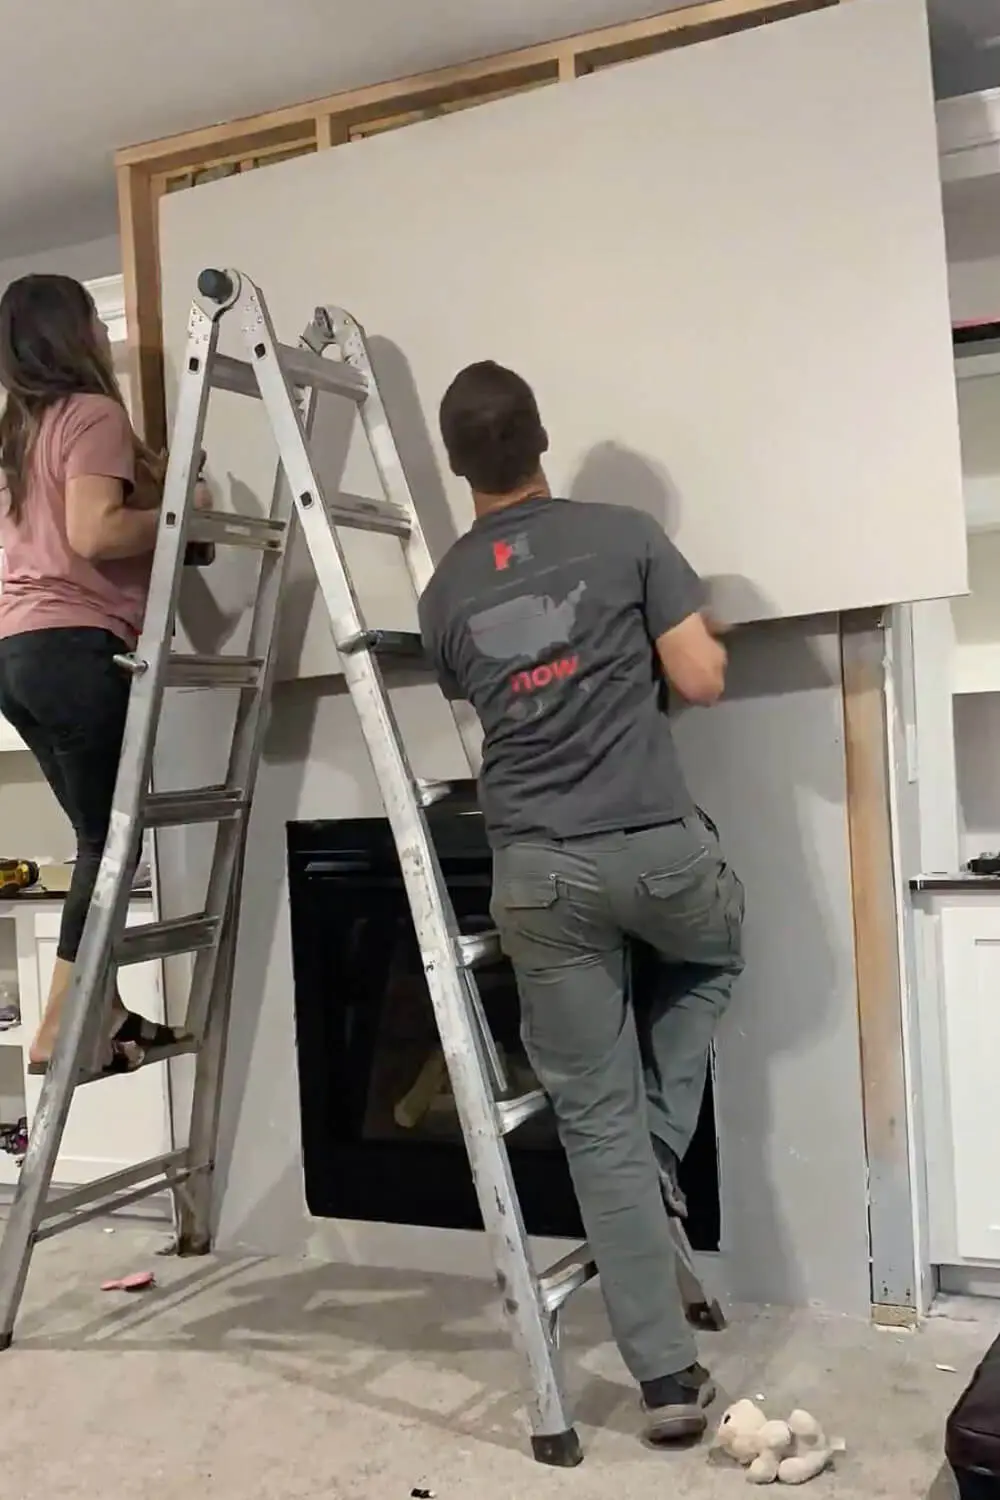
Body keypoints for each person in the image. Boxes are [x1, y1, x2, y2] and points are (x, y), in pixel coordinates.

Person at [418, 360, 745, 1446]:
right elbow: (698, 681)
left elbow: (485, 697)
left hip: (535, 874)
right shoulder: (626, 534)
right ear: (541, 437)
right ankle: (661, 1147)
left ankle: (664, 1384)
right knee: (711, 954)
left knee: (590, 1121)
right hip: (653, 853)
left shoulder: (441, 594)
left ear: (459, 465)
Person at [0, 273, 199, 1075]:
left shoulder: (19, 432)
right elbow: (95, 530)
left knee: (101, 838)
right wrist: (189, 511)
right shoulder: (92, 414)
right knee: (107, 841)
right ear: (76, 331)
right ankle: (60, 1024)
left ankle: (104, 1008)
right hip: (72, 647)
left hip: (15, 653)